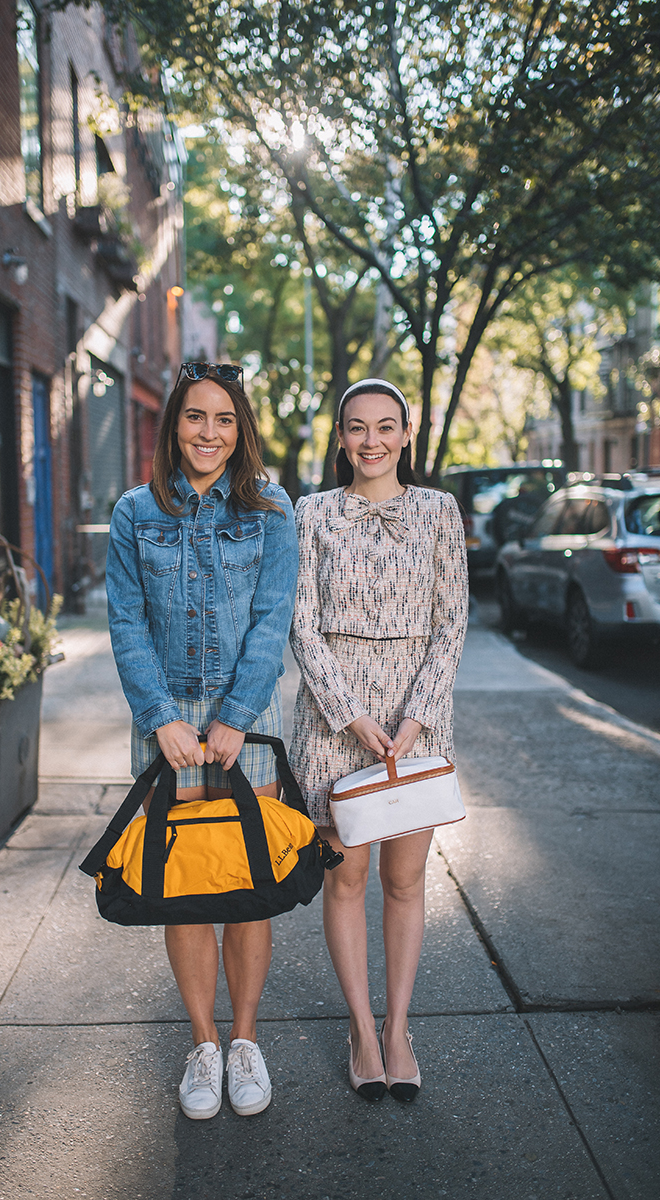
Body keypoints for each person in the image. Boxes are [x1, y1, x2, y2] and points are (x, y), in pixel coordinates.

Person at [106, 362, 298, 1121]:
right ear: (173, 426)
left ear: (241, 428)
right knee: (184, 888)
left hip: (243, 718)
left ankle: (246, 1041)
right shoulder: (134, 512)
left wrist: (238, 714)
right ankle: (203, 1043)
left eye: (223, 419)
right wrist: (161, 716)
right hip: (167, 723)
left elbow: (272, 620)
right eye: (195, 418)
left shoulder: (271, 509)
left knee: (248, 888)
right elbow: (126, 624)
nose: (208, 433)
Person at [289, 378, 468, 1103]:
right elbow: (299, 622)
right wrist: (351, 715)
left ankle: (399, 1028)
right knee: (348, 879)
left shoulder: (439, 511)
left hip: (417, 724)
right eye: (357, 428)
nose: (372, 441)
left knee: (403, 880)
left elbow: (452, 621)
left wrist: (414, 718)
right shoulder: (311, 513)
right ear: (340, 438)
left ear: (406, 435)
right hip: (337, 723)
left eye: (385, 427)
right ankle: (362, 1031)